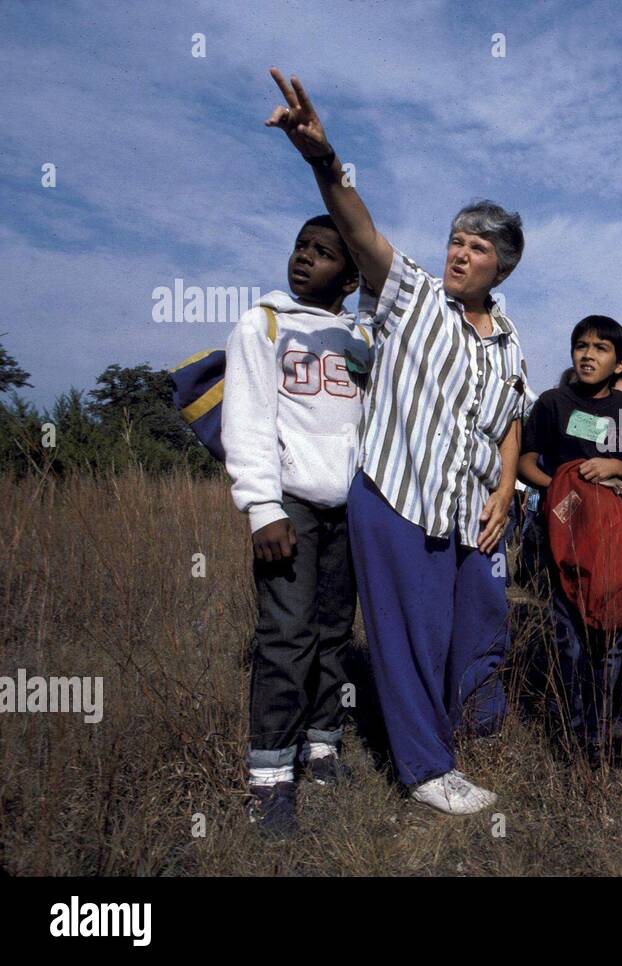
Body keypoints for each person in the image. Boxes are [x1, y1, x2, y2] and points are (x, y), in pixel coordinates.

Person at [264, 69, 532, 815]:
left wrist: (507, 487)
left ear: (501, 266)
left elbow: (511, 416)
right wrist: (323, 156)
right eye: (455, 239)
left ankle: (466, 726)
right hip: (395, 495)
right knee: (410, 635)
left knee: (469, 623)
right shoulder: (414, 297)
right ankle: (424, 770)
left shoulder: (508, 337)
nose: (459, 252)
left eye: (476, 247)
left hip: (463, 506)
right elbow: (358, 228)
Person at [223, 214, 370, 836]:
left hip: (352, 508)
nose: (304, 258)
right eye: (301, 247)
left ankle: (322, 743)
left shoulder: (363, 338)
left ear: (353, 274)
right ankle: (270, 777)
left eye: (324, 252)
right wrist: (262, 506)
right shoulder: (265, 323)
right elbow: (248, 417)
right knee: (287, 633)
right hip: (291, 508)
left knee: (335, 630)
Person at [518, 316, 622, 749]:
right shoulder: (553, 403)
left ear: (619, 363)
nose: (588, 354)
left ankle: (600, 726)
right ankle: (568, 728)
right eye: (581, 345)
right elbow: (526, 462)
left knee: (608, 637)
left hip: (611, 535)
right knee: (567, 634)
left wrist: (613, 467)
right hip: (563, 532)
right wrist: (561, 487)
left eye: (601, 348)